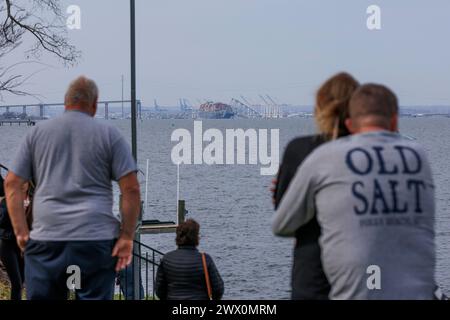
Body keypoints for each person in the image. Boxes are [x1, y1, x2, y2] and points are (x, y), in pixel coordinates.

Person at [273, 84, 436, 299]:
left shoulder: (326, 156)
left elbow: (281, 226)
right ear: (395, 120)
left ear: (350, 126)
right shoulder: (419, 156)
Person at [4, 76, 141, 300]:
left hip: (47, 238)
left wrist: (21, 232)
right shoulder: (110, 135)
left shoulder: (37, 133)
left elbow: (12, 183)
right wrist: (126, 236)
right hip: (94, 240)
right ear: (95, 104)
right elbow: (131, 189)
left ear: (65, 102)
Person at [273, 72, 359, 299]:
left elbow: (283, 215)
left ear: (319, 109)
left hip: (314, 272)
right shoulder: (377, 155)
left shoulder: (300, 150)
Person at [155, 219, 224, 300]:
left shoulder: (167, 259)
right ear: (196, 237)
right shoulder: (205, 259)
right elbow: (218, 289)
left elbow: (159, 289)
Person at [0, 171, 25, 300]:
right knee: (17, 283)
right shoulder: (7, 199)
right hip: (7, 244)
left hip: (25, 247)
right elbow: (2, 222)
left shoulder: (34, 200)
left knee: (21, 283)